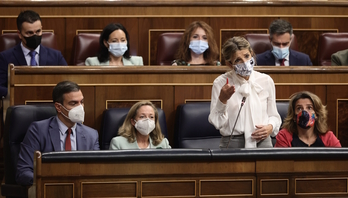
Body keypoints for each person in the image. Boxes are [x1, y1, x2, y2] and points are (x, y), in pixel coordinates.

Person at [16, 81, 100, 186]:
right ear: (58, 107)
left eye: (81, 102)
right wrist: (49, 184)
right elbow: (23, 171)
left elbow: (96, 172)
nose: (80, 108)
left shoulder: (91, 135)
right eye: (73, 103)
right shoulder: (38, 130)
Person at [208, 36, 281, 148]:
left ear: (251, 54)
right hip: (233, 142)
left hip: (263, 141)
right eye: (238, 60)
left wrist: (270, 127)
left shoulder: (266, 80)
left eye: (247, 56)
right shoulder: (220, 83)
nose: (245, 62)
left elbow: (274, 116)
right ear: (229, 64)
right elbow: (217, 122)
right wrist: (222, 100)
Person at [0, 10, 67, 97]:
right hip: (19, 105)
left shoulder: (56, 56)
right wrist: (23, 92)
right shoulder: (5, 57)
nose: (35, 36)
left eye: (38, 31)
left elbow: (67, 84)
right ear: (19, 34)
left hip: (49, 103)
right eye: (29, 33)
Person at [275, 91, 341, 147]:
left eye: (309, 108)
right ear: (293, 116)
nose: (304, 112)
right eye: (299, 108)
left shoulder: (328, 137)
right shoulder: (284, 136)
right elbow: (281, 162)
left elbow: (339, 160)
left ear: (316, 114)